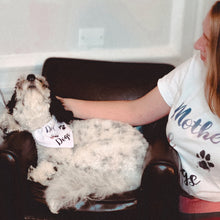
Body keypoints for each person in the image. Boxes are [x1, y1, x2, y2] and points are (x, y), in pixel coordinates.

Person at [59, 1, 220, 218]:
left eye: (207, 40)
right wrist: (62, 105)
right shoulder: (195, 68)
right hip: (179, 199)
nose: (197, 44)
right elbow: (136, 111)